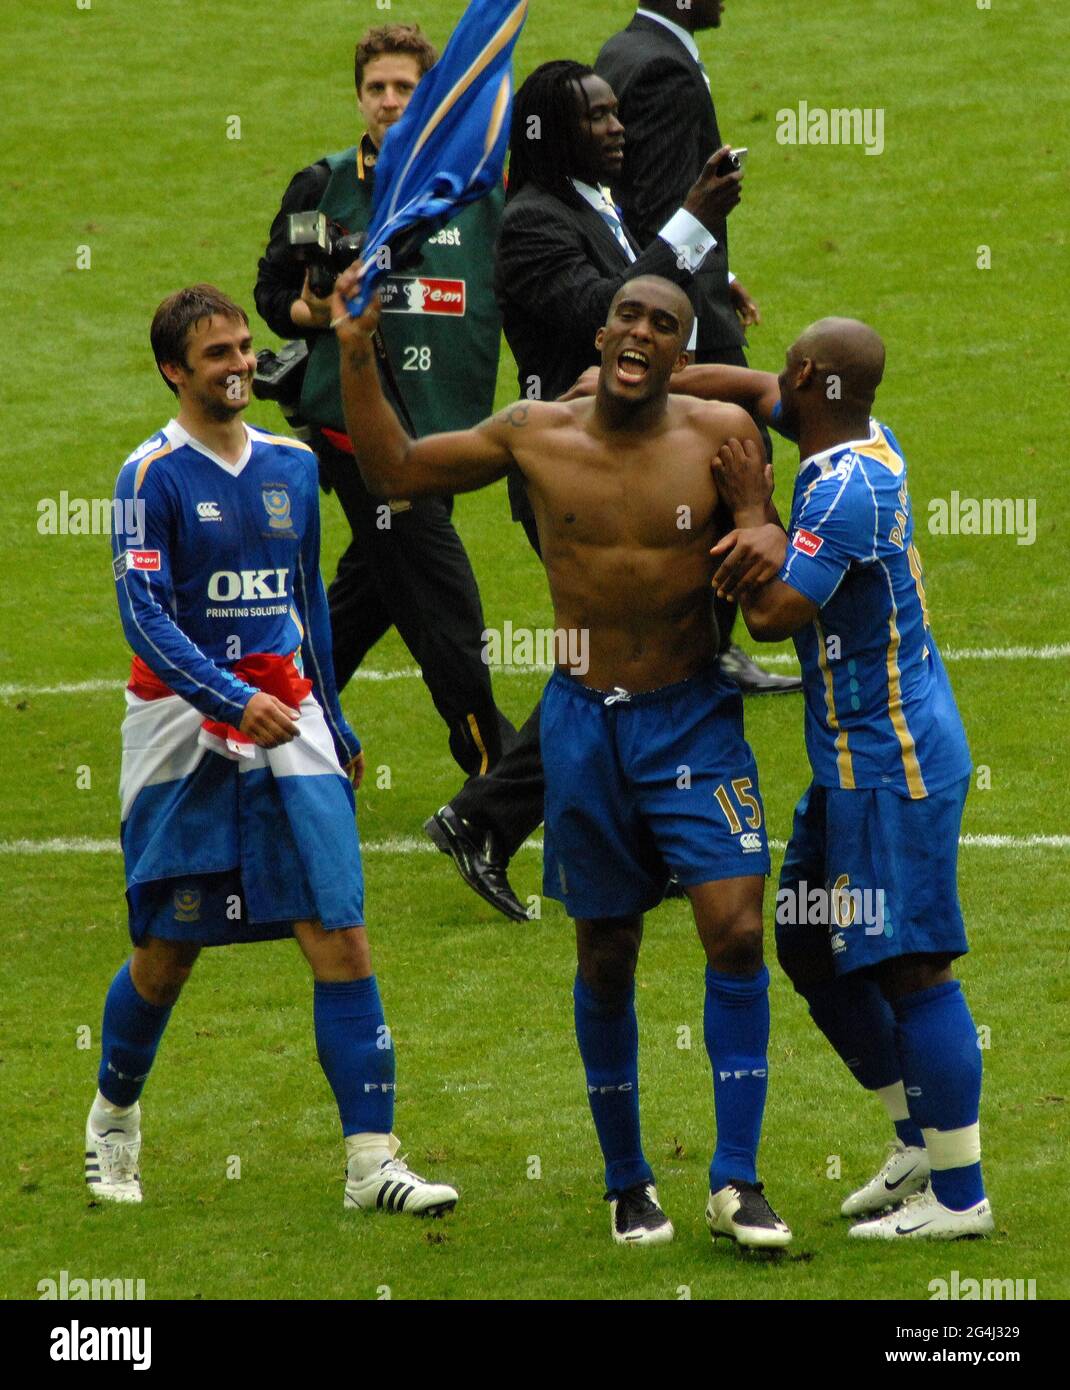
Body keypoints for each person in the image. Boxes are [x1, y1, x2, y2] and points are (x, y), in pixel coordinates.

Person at [335, 264, 792, 1249]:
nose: (636, 332)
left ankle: (736, 1180)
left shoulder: (722, 440)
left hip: (694, 718)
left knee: (737, 931)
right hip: (584, 728)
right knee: (606, 950)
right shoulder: (531, 435)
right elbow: (396, 471)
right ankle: (626, 1180)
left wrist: (761, 523)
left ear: (681, 353)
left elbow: (773, 590)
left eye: (659, 323)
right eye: (624, 315)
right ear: (599, 338)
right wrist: (355, 350)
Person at [86, 284, 457, 1219]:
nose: (241, 364)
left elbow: (308, 609)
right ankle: (113, 1123)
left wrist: (334, 716)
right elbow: (142, 612)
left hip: (288, 724)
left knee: (341, 932)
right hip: (182, 734)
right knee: (167, 950)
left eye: (245, 348)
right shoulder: (149, 478)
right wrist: (228, 696)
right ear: (176, 370)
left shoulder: (293, 468)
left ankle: (373, 1164)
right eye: (217, 354)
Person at [669, 319, 993, 1239]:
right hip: (850, 762)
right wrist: (667, 380)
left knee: (914, 965)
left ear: (808, 374)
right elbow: (748, 387)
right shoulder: (851, 431)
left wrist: (748, 513)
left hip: (893, 763)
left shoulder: (846, 489)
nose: (775, 380)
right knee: (810, 940)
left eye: (789, 367)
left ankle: (960, 1196)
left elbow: (772, 614)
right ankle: (916, 1143)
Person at [424, 59, 745, 923]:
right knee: (604, 657)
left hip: (641, 461)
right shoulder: (532, 222)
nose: (618, 129)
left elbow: (647, 285)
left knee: (662, 645)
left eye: (616, 113)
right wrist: (692, 224)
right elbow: (606, 308)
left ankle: (648, 830)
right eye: (597, 118)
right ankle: (483, 818)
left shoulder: (597, 202)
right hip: (574, 470)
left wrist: (709, 278)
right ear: (554, 132)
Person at [254, 22, 514, 780]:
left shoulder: (478, 188)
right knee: (446, 607)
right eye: (376, 89)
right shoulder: (323, 185)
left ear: (430, 95)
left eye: (405, 88)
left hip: (448, 433)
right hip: (357, 440)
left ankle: (281, 707)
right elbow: (272, 295)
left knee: (369, 592)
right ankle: (496, 769)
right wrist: (317, 312)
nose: (390, 102)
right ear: (358, 96)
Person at [596, 0, 801, 696]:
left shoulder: (624, 49)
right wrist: (681, 337)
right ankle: (706, 650)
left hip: (679, 288)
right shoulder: (663, 69)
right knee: (740, 459)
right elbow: (662, 204)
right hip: (680, 313)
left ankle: (701, 648)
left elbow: (639, 204)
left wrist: (725, 271)